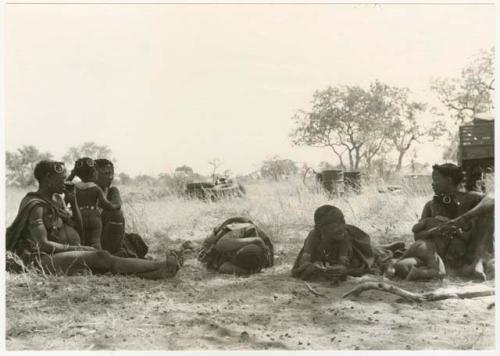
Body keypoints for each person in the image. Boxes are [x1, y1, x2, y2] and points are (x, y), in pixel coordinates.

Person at [6, 160, 180, 279]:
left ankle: (157, 270)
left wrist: (73, 202)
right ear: (48, 179)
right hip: (42, 261)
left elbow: (79, 230)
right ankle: (159, 266)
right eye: (61, 179)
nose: (65, 182)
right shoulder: (35, 204)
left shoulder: (58, 200)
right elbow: (43, 245)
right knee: (101, 257)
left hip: (63, 254)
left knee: (102, 263)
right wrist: (79, 247)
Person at [393, 163, 494, 281]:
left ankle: (478, 261)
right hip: (439, 257)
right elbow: (418, 236)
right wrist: (436, 231)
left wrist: (462, 219)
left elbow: (493, 199)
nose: (432, 184)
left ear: (449, 180)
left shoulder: (469, 198)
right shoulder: (431, 205)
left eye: (436, 180)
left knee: (488, 213)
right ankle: (450, 271)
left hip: (467, 253)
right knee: (402, 267)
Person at [292, 205, 398, 281]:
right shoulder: (314, 236)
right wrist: (312, 266)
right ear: (321, 228)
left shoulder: (344, 236)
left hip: (354, 247)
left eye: (343, 222)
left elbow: (343, 264)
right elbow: (304, 262)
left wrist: (343, 270)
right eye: (336, 224)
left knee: (374, 255)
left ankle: (385, 249)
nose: (342, 227)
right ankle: (382, 247)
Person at [66, 157, 120, 249]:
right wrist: (114, 206)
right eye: (106, 173)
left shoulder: (75, 187)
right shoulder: (96, 189)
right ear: (95, 172)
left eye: (112, 174)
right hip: (94, 219)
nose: (111, 177)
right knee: (95, 242)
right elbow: (108, 205)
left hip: (80, 219)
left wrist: (73, 174)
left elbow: (66, 184)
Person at [198, 217, 274, 275]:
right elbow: (220, 244)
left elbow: (223, 267)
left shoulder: (267, 258)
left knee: (205, 253)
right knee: (208, 244)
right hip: (233, 226)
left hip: (238, 240)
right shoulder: (246, 230)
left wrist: (247, 271)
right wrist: (256, 240)